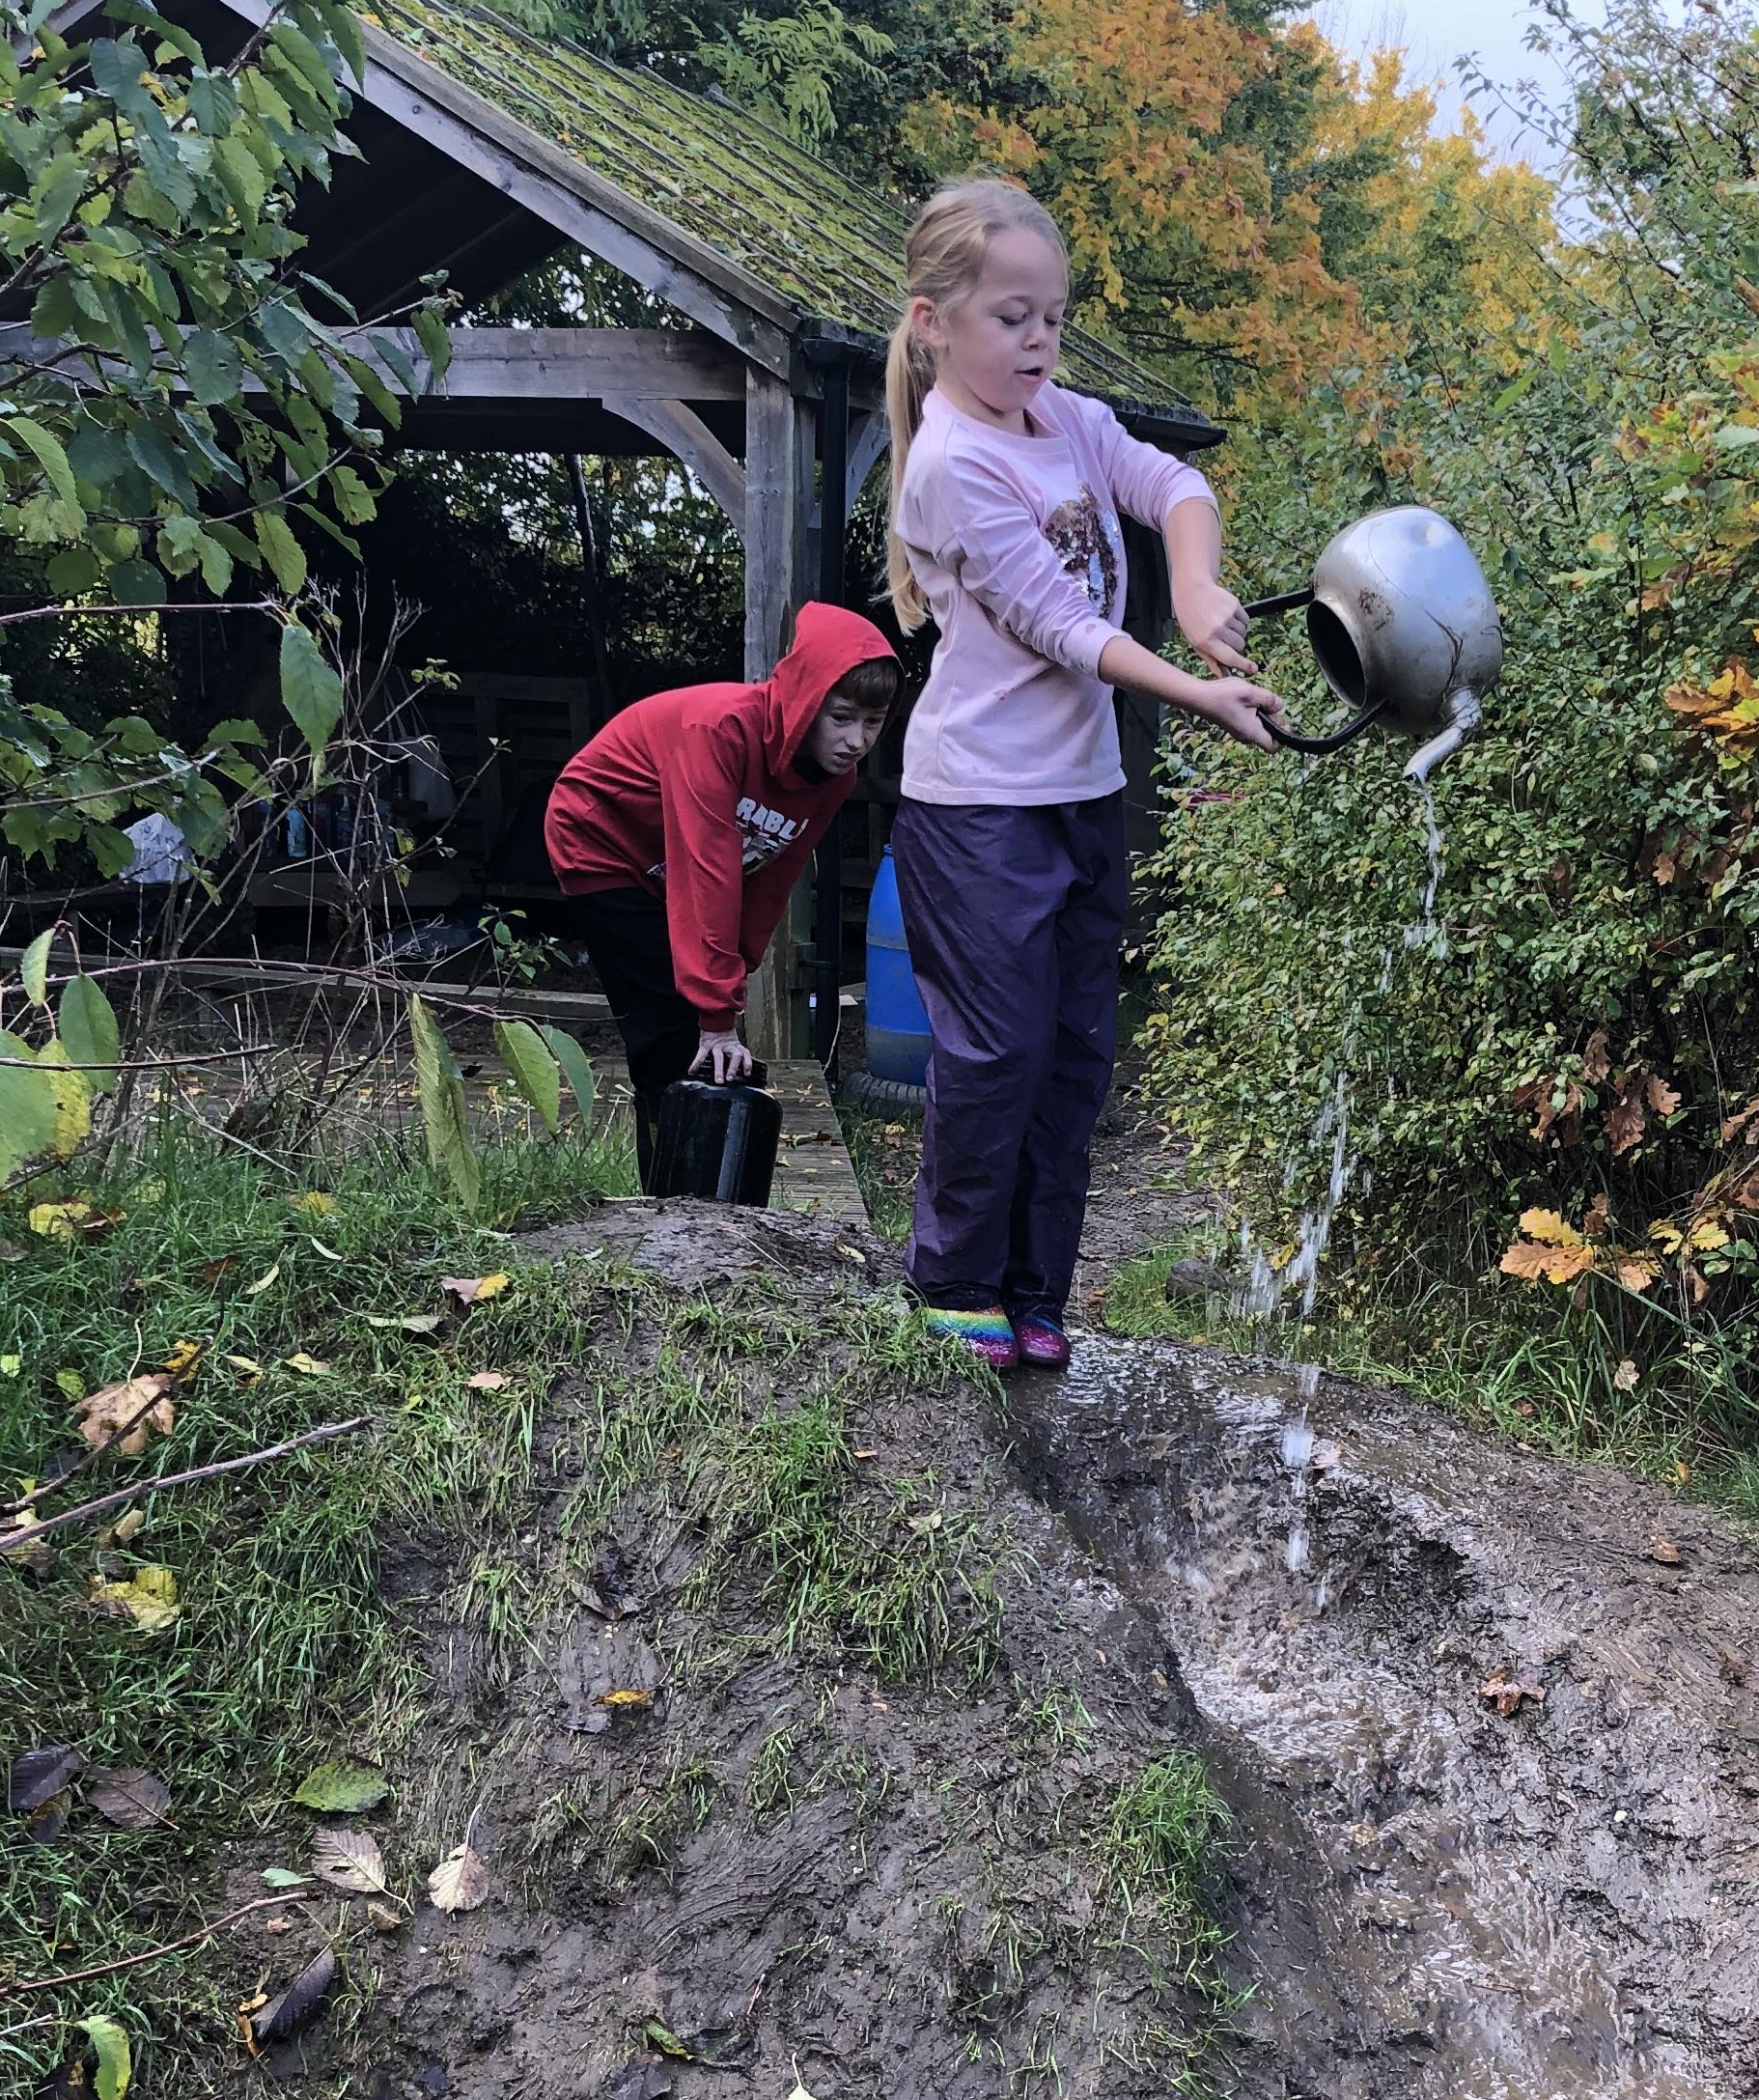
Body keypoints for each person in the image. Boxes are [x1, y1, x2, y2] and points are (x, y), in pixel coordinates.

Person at [884, 177, 1281, 1370]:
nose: (1039, 341)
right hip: (977, 808)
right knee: (996, 1053)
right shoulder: (951, 463)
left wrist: (1197, 589)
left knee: (1072, 1057)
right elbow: (1062, 626)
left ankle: (1035, 1292)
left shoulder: (1064, 418)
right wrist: (1201, 693)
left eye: (1051, 317)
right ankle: (955, 1281)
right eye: (1012, 317)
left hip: (1083, 796)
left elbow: (1176, 486)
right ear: (933, 323)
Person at [544, 600, 899, 1186]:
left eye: (873, 721)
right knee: (667, 1025)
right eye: (840, 717)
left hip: (675, 858)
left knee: (694, 1030)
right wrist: (716, 1014)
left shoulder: (834, 779)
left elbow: (772, 875)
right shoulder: (719, 731)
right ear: (804, 699)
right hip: (604, 839)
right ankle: (671, 1204)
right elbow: (705, 869)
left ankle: (701, 1197)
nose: (855, 740)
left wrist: (734, 970)